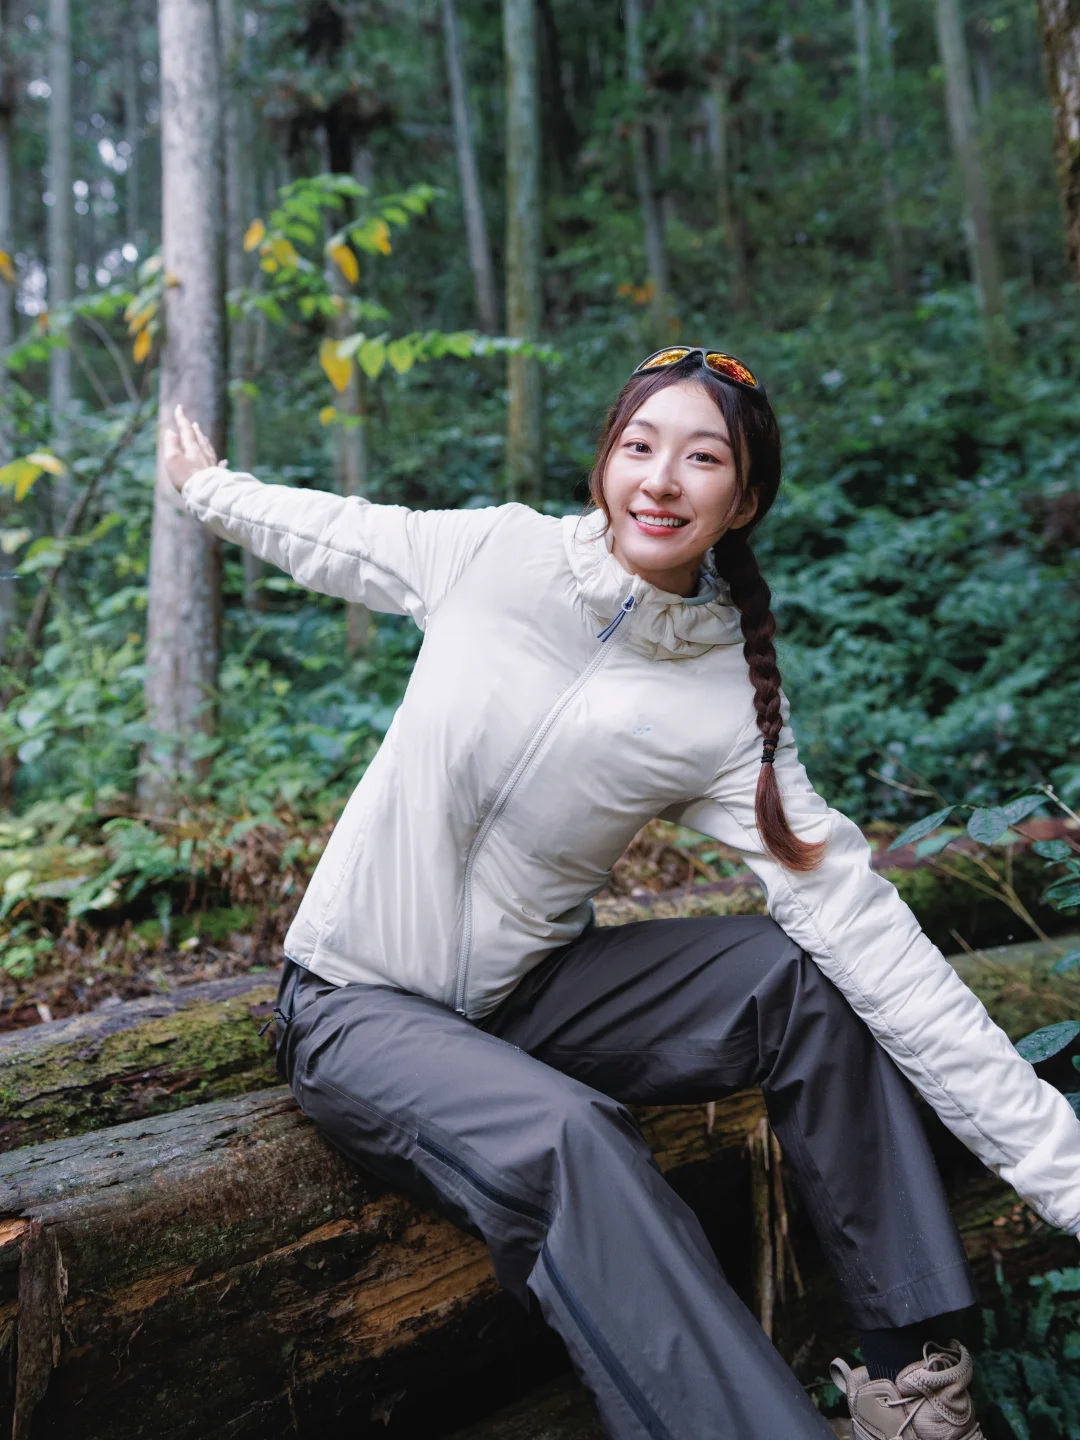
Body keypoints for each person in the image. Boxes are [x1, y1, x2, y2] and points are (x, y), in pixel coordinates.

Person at [163, 347, 1080, 1440]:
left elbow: (869, 932)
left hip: (532, 993)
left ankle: (915, 1392)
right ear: (604, 464)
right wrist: (208, 489)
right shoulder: (495, 555)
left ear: (743, 502)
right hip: (357, 1006)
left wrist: (1063, 1175)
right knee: (574, 1136)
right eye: (640, 446)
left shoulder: (724, 698)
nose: (661, 480)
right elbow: (332, 531)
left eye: (703, 459)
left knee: (807, 978)